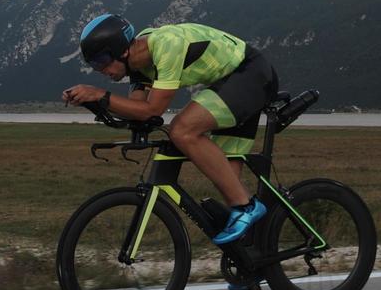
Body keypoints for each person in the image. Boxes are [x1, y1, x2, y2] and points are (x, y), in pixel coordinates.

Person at [62, 13, 279, 245]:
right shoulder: (136, 64)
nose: (99, 69)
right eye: (93, 64)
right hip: (229, 84)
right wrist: (92, 102)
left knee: (183, 130)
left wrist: (99, 94)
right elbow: (135, 110)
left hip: (251, 74)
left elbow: (151, 110)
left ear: (121, 51)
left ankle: (249, 206)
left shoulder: (166, 46)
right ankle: (252, 265)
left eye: (101, 61)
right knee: (230, 188)